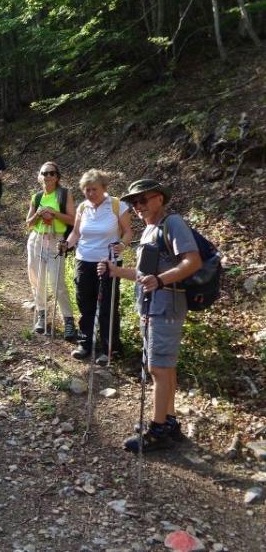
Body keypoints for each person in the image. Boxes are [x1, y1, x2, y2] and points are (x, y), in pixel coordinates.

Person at [99, 179, 202, 453]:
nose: (138, 206)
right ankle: (168, 421)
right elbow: (145, 276)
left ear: (159, 198)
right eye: (134, 203)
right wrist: (116, 271)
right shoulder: (149, 230)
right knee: (164, 367)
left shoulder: (173, 223)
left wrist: (160, 280)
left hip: (166, 307)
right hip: (151, 306)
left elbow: (192, 261)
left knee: (158, 367)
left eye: (143, 200)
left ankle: (156, 431)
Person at [66, 170, 133, 364]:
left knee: (107, 305)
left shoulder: (116, 205)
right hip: (83, 260)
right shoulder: (82, 208)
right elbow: (76, 234)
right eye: (86, 190)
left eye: (94, 189)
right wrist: (66, 245)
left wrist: (122, 244)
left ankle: (111, 348)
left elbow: (128, 231)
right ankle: (85, 343)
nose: (90, 193)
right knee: (84, 302)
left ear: (104, 188)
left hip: (108, 262)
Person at [25, 161, 76, 338]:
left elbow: (72, 220)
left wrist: (53, 213)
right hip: (36, 240)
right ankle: (42, 314)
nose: (48, 176)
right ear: (40, 177)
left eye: (51, 173)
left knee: (57, 282)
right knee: (36, 279)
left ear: (57, 176)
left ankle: (68, 320)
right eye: (44, 173)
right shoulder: (36, 197)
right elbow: (28, 224)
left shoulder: (64, 194)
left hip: (56, 239)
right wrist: (39, 213)